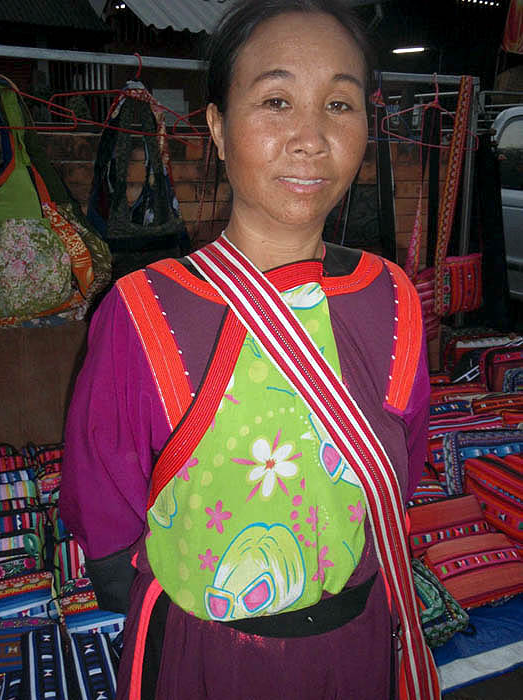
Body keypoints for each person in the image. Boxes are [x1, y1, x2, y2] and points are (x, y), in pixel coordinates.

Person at [60, 1, 440, 698]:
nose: (310, 137)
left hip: (355, 647)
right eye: (275, 100)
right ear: (217, 129)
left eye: (338, 104)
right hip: (209, 664)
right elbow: (104, 512)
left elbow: (401, 470)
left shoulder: (391, 299)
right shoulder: (145, 311)